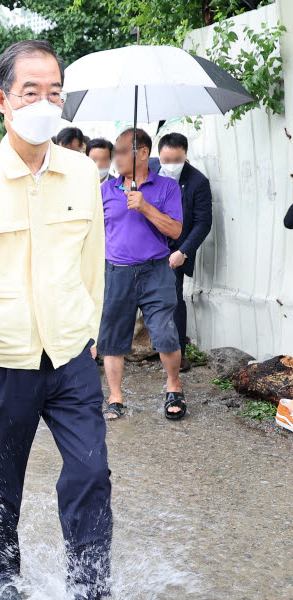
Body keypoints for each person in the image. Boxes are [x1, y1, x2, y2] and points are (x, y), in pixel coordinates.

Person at [0, 39, 141, 600]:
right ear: (3, 101)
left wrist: (88, 336)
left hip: (69, 358)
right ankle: (0, 570)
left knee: (90, 471)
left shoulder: (82, 172)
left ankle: (90, 595)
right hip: (0, 361)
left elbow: (92, 268)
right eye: (32, 91)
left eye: (56, 92)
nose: (46, 103)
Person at [99, 127, 185, 421]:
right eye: (115, 152)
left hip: (155, 271)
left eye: (122, 151)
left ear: (143, 153)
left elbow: (175, 230)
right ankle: (115, 397)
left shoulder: (167, 188)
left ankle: (174, 385)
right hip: (116, 272)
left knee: (164, 332)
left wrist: (145, 206)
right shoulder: (106, 191)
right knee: (112, 337)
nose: (116, 158)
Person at [158, 132, 212, 367]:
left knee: (173, 299)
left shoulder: (198, 181)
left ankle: (177, 354)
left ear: (185, 155)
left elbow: (203, 223)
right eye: (165, 160)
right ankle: (153, 346)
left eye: (176, 160)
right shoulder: (146, 171)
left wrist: (184, 251)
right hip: (146, 246)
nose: (170, 165)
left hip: (175, 250)